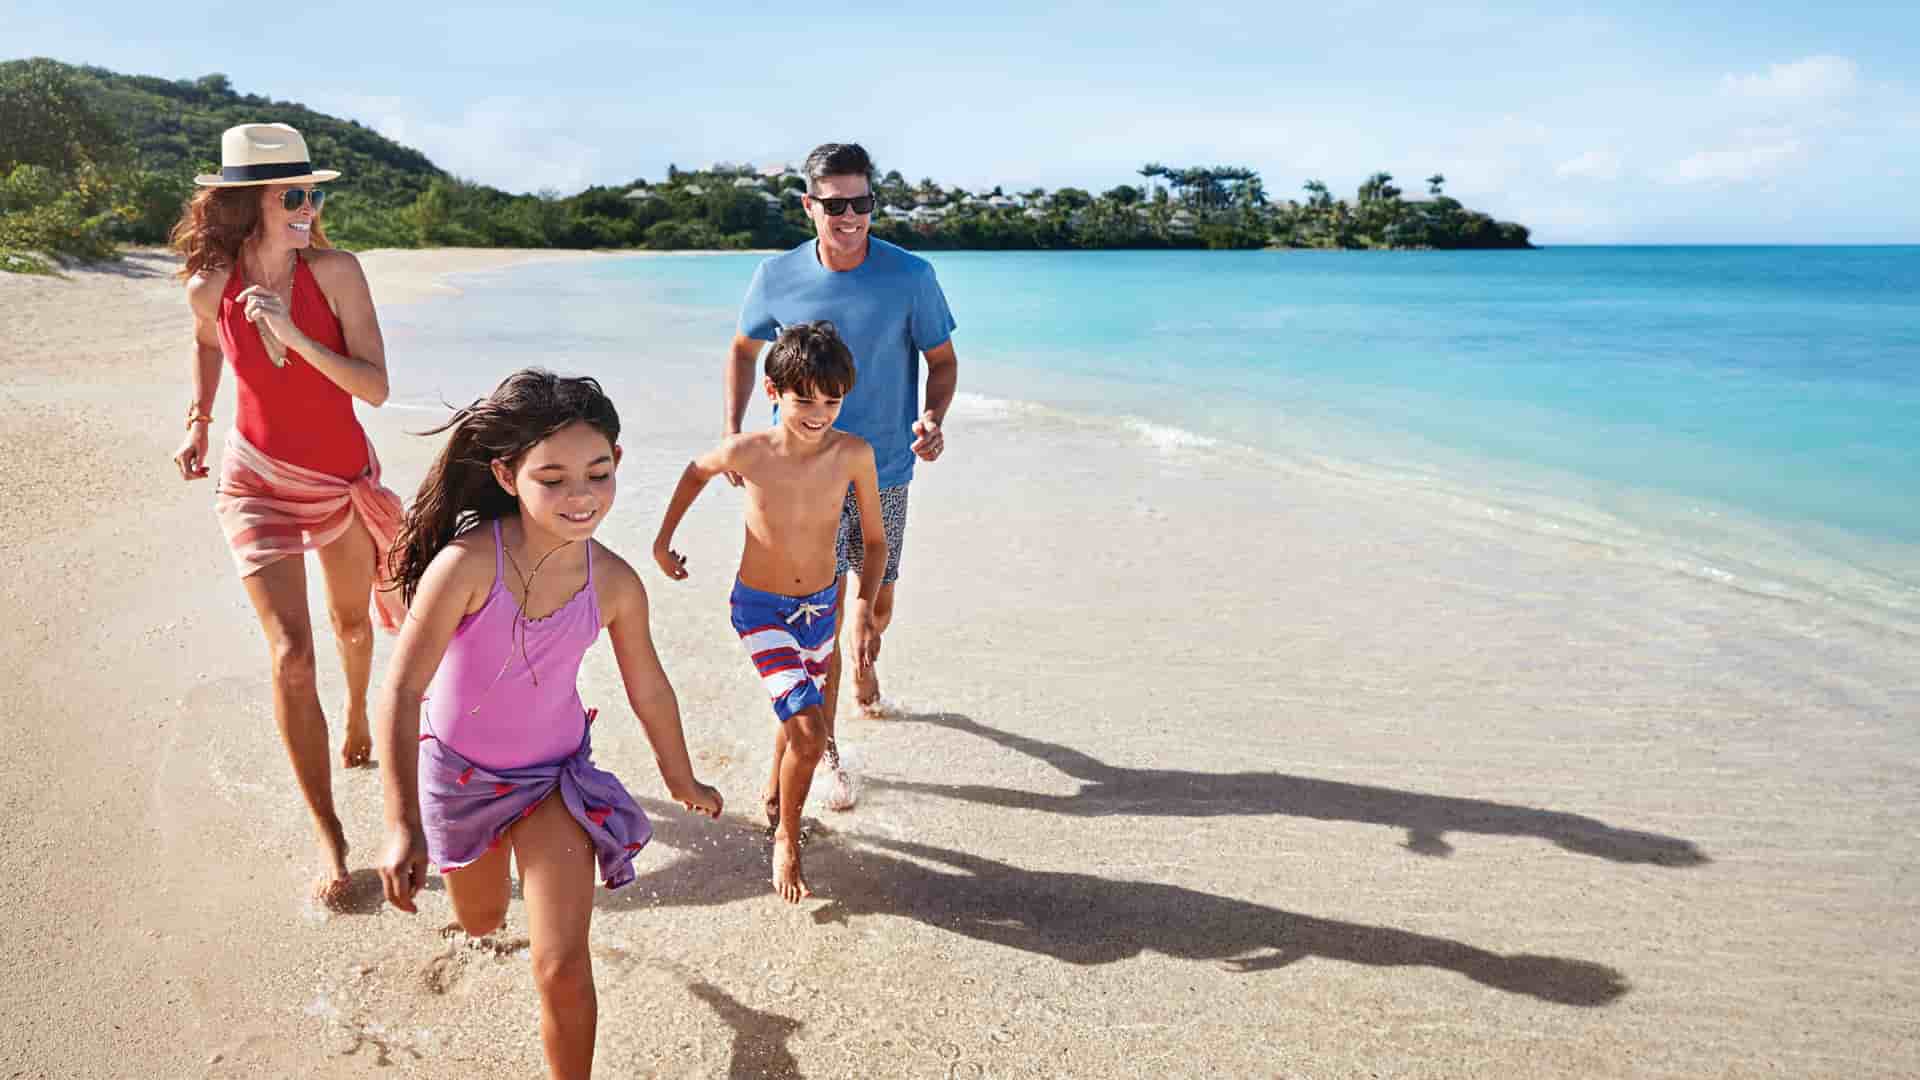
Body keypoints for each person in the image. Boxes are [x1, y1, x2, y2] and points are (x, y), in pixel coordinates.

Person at [374, 369, 722, 1079]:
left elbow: (649, 687)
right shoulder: (467, 566)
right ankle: (478, 895)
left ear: (618, 463)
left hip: (552, 779)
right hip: (459, 777)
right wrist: (401, 821)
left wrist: (679, 775)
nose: (581, 496)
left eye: (597, 472)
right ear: (506, 475)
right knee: (480, 920)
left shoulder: (616, 582)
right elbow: (404, 688)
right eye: (553, 478)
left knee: (562, 964)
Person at [169, 122, 403, 906]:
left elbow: (373, 388)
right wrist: (200, 418)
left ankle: (359, 714)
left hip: (338, 482)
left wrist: (292, 334)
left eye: (313, 193)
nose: (308, 207)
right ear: (247, 203)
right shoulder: (209, 284)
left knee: (352, 628)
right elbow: (207, 341)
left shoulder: (336, 272)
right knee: (293, 654)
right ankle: (331, 839)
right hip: (255, 481)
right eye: (291, 195)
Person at [726, 142, 960, 813]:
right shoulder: (775, 276)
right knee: (818, 626)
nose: (851, 215)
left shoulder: (911, 276)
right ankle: (819, 757)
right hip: (804, 480)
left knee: (876, 602)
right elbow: (743, 352)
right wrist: (733, 431)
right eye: (836, 204)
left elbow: (941, 362)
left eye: (862, 202)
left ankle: (869, 649)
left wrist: (932, 418)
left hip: (886, 469)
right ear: (810, 207)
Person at [657, 322, 886, 902]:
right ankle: (787, 836)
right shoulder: (749, 452)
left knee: (802, 717)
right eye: (804, 398)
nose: (818, 412)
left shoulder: (854, 455)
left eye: (830, 400)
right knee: (809, 733)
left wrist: (861, 606)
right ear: (772, 392)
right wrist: (663, 542)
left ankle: (772, 795)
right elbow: (696, 471)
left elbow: (876, 542)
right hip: (760, 608)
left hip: (823, 606)